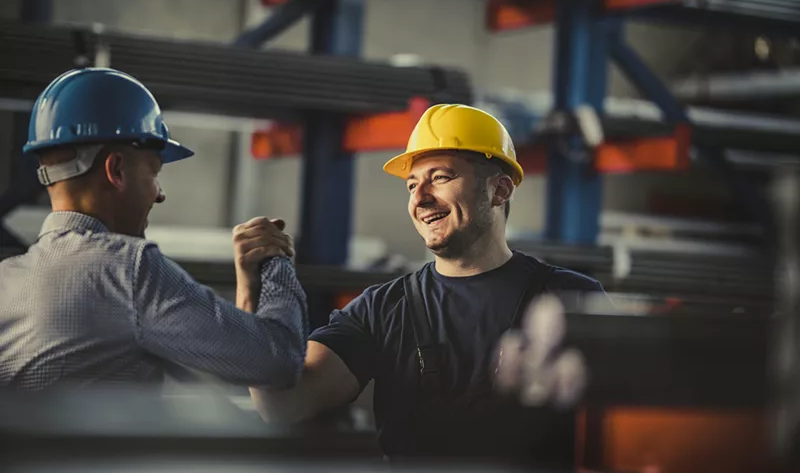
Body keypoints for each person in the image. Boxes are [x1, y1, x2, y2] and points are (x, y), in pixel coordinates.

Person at [246, 104, 604, 466]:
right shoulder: (380, 310)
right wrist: (253, 291)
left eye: (441, 177)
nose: (419, 198)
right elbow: (283, 404)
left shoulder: (572, 299)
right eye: (413, 184)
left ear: (499, 190)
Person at [0, 67, 308, 391]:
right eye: (154, 172)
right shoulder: (127, 270)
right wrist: (275, 260)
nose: (159, 194)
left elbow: (233, 365)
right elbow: (280, 360)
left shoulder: (7, 280)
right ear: (116, 169)